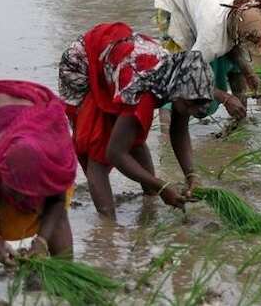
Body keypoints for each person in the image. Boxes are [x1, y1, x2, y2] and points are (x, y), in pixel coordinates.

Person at [58, 22, 214, 218]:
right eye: (191, 103)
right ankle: (108, 227)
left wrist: (191, 175)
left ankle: (149, 200)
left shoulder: (179, 80)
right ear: (178, 91)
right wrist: (162, 186)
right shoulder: (142, 93)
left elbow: (179, 131)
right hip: (83, 66)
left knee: (131, 135)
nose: (193, 110)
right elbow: (115, 153)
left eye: (199, 104)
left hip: (117, 61)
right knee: (97, 149)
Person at [0, 80, 77, 281]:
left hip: (38, 110)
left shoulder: (53, 162)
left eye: (29, 194)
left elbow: (57, 201)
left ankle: (67, 279)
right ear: (1, 176)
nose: (21, 202)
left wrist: (42, 241)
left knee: (58, 216)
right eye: (14, 191)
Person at [155, 0, 261, 121]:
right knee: (175, 71)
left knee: (234, 63)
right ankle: (166, 137)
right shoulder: (211, 37)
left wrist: (249, 73)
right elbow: (188, 74)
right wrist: (225, 98)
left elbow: (236, 44)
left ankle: (240, 122)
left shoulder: (247, 6)